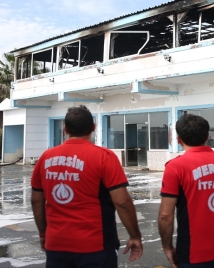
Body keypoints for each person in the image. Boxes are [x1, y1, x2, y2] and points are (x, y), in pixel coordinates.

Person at [31, 105, 143, 267]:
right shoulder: (104, 157)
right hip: (96, 247)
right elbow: (122, 202)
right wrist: (135, 236)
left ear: (65, 129)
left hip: (56, 245)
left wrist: (43, 233)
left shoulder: (46, 158)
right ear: (93, 127)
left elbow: (36, 201)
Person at [159, 114, 214, 268]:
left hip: (195, 255)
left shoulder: (176, 167)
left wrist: (167, 247)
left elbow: (166, 216)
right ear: (207, 136)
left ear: (179, 140)